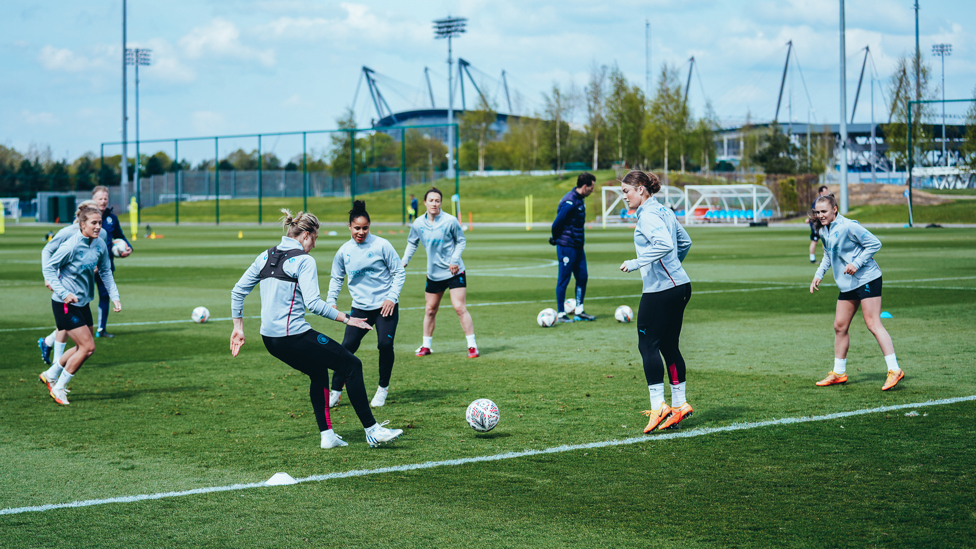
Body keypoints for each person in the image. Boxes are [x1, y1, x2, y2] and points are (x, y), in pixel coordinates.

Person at [230, 209, 403, 448]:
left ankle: (327, 436)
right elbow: (313, 304)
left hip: (270, 339)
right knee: (352, 364)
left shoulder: (265, 255)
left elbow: (238, 290)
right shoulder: (303, 260)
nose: (314, 244)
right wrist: (347, 319)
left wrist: (238, 327)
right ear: (306, 235)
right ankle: (372, 430)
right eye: (316, 238)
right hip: (293, 335)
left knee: (319, 371)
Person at [617, 171, 694, 433]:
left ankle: (659, 406)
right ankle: (680, 404)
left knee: (647, 345)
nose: (624, 196)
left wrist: (636, 263)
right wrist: (673, 268)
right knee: (669, 346)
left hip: (661, 290)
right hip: (681, 285)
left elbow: (664, 244)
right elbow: (685, 242)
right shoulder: (664, 211)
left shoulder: (649, 215)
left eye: (626, 191)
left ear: (640, 189)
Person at [809, 195, 904, 391]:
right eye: (817, 212)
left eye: (824, 211)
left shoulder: (849, 226)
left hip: (867, 278)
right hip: (847, 284)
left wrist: (857, 263)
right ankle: (839, 373)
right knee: (839, 326)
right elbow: (828, 253)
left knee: (872, 323)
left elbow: (875, 243)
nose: (820, 215)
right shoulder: (824, 229)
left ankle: (895, 369)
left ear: (835, 209)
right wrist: (818, 274)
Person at [39, 204, 122, 405]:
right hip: (64, 303)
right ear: (82, 224)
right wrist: (63, 292)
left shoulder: (100, 243)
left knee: (83, 347)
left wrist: (115, 296)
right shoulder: (71, 246)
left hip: (83, 302)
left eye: (100, 223)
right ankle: (58, 388)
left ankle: (50, 374)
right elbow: (49, 269)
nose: (98, 227)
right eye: (93, 223)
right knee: (88, 346)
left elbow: (105, 272)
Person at [326, 201, 406, 409]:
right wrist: (331, 302)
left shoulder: (382, 245)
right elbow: (336, 278)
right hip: (360, 308)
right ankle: (335, 390)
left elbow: (399, 272)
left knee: (385, 345)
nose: (361, 232)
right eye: (357, 228)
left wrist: (392, 297)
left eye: (365, 228)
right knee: (347, 347)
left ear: (369, 227)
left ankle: (382, 389)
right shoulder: (344, 251)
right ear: (349, 227)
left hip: (385, 307)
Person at [402, 187, 479, 358]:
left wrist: (454, 260)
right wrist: (405, 260)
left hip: (454, 272)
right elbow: (412, 243)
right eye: (431, 200)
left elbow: (461, 241)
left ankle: (472, 346)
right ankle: (426, 346)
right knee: (430, 310)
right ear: (425, 203)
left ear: (441, 203)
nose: (434, 203)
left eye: (437, 201)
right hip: (434, 274)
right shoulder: (418, 223)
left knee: (459, 308)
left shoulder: (450, 221)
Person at [37, 200, 106, 369]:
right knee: (67, 320)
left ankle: (48, 345)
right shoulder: (68, 232)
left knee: (73, 326)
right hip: (64, 282)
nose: (98, 221)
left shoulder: (100, 234)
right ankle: (55, 363)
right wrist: (48, 276)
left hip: (83, 286)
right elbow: (47, 250)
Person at [549, 172, 596, 322]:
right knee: (564, 278)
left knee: (582, 277)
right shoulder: (570, 201)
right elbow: (557, 222)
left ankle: (579, 310)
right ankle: (561, 313)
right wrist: (556, 239)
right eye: (591, 187)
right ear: (584, 186)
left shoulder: (580, 199)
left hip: (578, 246)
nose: (592, 190)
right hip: (567, 246)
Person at [91, 186, 131, 337]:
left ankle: (101, 329)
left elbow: (120, 235)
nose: (103, 201)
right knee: (81, 298)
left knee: (104, 296)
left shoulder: (112, 218)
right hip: (86, 267)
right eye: (100, 198)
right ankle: (79, 328)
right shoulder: (84, 217)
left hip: (105, 265)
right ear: (93, 199)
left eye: (105, 199)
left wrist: (129, 248)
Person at [808, 185, 830, 263]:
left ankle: (827, 258)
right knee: (815, 240)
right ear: (821, 192)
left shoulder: (826, 201)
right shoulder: (817, 201)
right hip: (816, 225)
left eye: (827, 191)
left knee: (826, 240)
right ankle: (812, 259)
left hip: (823, 224)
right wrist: (810, 219)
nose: (827, 193)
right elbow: (813, 212)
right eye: (825, 191)